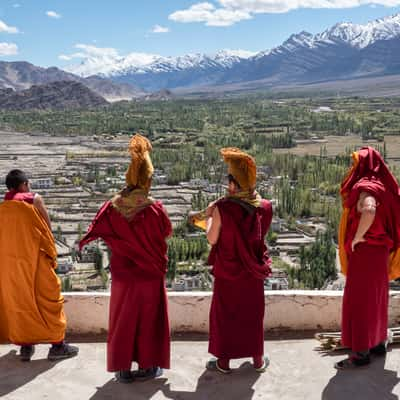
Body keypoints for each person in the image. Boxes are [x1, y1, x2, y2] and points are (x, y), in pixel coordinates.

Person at [80, 134, 172, 383]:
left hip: (122, 275)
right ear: (147, 179)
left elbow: (98, 229)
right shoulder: (154, 209)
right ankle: (147, 367)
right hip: (150, 276)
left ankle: (123, 369)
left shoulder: (111, 206)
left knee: (123, 320)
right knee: (148, 321)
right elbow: (165, 232)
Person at [205, 147, 272, 374]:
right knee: (252, 315)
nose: (227, 186)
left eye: (229, 182)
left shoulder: (222, 208)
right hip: (253, 272)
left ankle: (224, 363)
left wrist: (208, 217)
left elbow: (212, 239)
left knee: (226, 316)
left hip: (228, 272)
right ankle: (257, 361)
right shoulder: (265, 207)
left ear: (234, 184)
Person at [0, 169, 79, 361]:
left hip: (12, 266)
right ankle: (57, 346)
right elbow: (47, 230)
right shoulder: (34, 199)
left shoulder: (4, 207)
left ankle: (26, 345)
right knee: (50, 300)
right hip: (36, 262)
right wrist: (52, 256)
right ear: (25, 184)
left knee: (20, 301)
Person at [336, 146, 400, 369]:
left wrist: (357, 237)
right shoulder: (384, 186)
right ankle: (377, 345)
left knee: (360, 302)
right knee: (376, 299)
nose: (353, 167)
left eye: (356, 162)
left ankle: (361, 353)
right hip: (380, 252)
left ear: (363, 165)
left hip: (365, 252)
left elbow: (370, 210)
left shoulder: (366, 187)